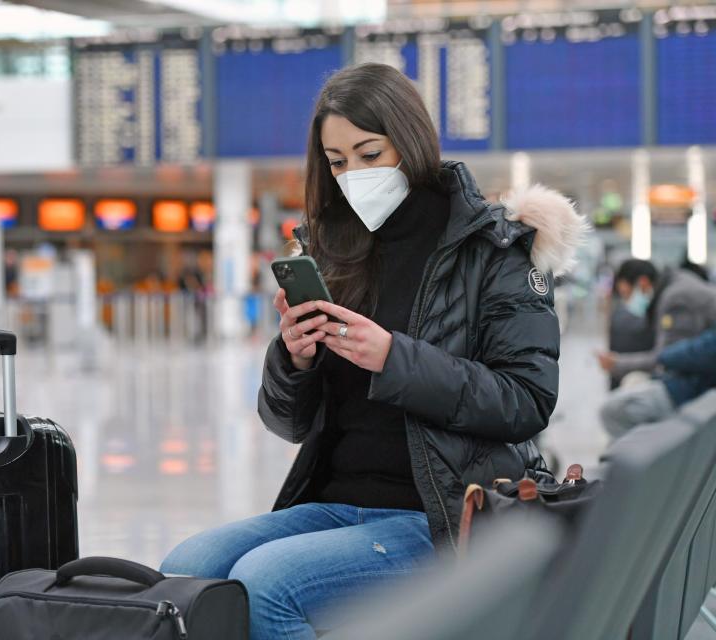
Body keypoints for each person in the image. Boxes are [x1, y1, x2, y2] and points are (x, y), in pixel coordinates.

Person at [160, 63, 588, 640]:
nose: (353, 174)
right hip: (333, 501)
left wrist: (394, 357)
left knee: (268, 583)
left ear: (409, 144)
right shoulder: (334, 253)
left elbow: (526, 400)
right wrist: (296, 360)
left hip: (437, 512)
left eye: (369, 154)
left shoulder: (494, 247)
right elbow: (288, 424)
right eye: (337, 162)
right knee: (185, 572)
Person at [596, 259, 716, 380]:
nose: (626, 303)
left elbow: (670, 358)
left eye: (626, 294)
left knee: (635, 384)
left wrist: (617, 363)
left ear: (643, 282)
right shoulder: (676, 279)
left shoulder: (675, 299)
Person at [601, 326, 716, 438]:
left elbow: (696, 353)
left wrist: (664, 356)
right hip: (685, 385)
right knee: (631, 384)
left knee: (613, 410)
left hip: (688, 394)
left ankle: (645, 455)